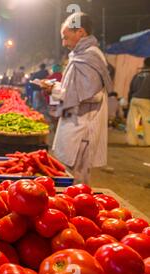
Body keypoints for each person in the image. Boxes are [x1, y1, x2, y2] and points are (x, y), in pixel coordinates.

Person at [42, 13, 113, 184]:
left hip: (82, 128)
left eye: (66, 37)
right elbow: (76, 88)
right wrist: (56, 88)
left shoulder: (91, 57)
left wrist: (55, 90)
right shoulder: (81, 55)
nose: (64, 43)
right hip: (73, 123)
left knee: (77, 180)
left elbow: (91, 94)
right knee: (65, 175)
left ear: (80, 32)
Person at [126, 57, 150, 146]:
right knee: (147, 122)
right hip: (146, 101)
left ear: (145, 64)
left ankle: (132, 141)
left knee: (134, 122)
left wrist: (129, 102)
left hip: (134, 99)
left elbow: (131, 90)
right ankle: (147, 142)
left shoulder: (138, 75)